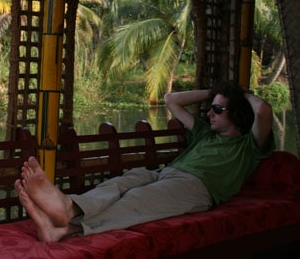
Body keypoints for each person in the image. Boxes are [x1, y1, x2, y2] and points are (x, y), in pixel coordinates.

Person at [14, 82, 275, 242]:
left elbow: (263, 111)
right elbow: (171, 99)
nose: (210, 113)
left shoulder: (248, 147)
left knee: (137, 199)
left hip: (197, 188)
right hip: (165, 173)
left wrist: (240, 93)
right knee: (123, 183)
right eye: (211, 108)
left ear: (238, 114)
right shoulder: (205, 133)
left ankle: (69, 217)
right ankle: (66, 215)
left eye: (218, 109)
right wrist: (217, 92)